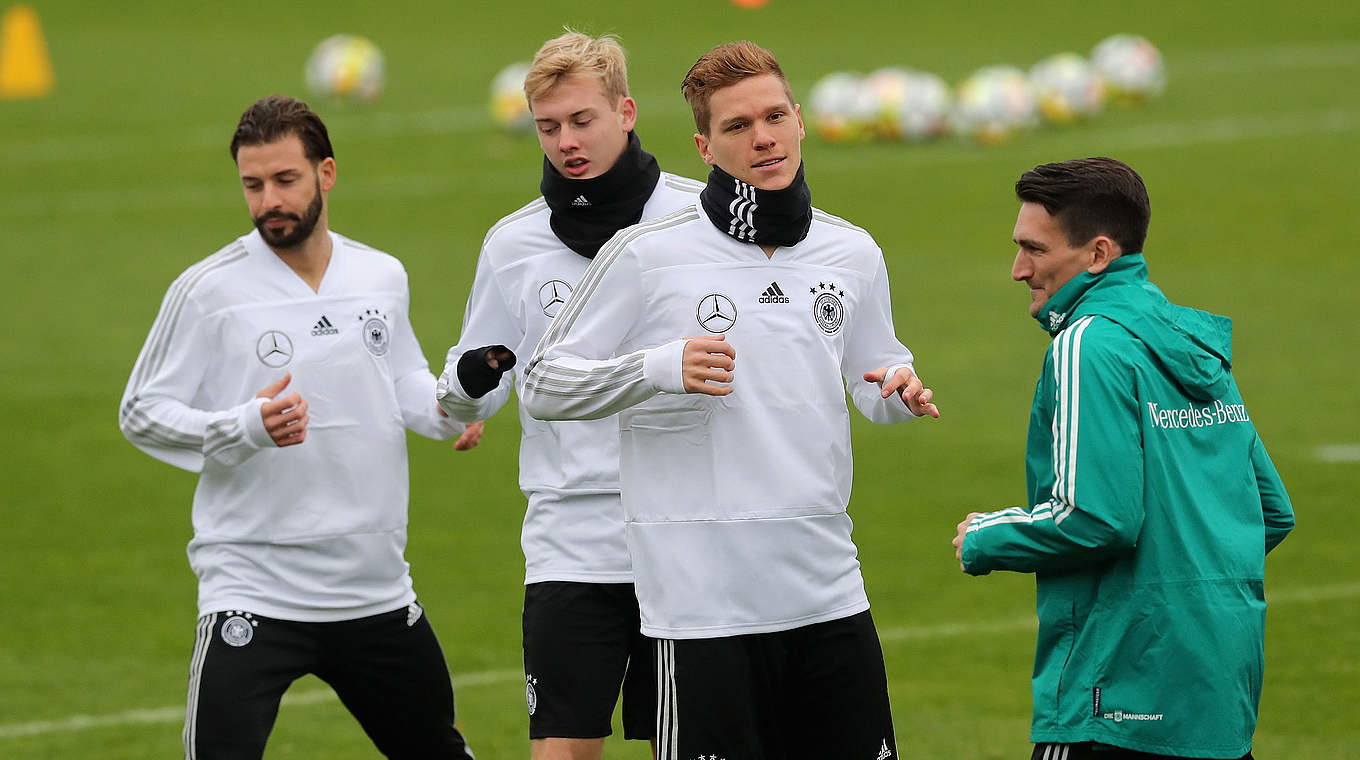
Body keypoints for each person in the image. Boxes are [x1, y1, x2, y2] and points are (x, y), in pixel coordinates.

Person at [520, 41, 938, 760]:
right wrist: (657, 367)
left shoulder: (852, 253)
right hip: (702, 608)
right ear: (704, 146)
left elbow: (876, 377)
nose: (764, 137)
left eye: (775, 116)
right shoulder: (647, 255)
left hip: (827, 590)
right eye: (738, 127)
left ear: (801, 121)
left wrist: (900, 392)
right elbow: (543, 383)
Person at [118, 95, 480, 760]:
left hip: (373, 588)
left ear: (327, 174)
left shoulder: (381, 275)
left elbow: (403, 386)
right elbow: (141, 412)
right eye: (252, 186)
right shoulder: (208, 292)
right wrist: (246, 427)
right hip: (253, 589)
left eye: (285, 180)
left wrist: (452, 408)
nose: (267, 202)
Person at [951, 157, 1294, 760]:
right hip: (1218, 688)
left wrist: (986, 537)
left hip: (1116, 693)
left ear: (1098, 254)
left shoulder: (1088, 342)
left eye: (1034, 249)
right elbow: (1270, 510)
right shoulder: (1192, 344)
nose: (1017, 269)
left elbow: (1094, 517)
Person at [434, 31, 701, 760]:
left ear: (626, 111)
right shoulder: (513, 244)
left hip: (687, 534)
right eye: (548, 127)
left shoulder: (698, 219)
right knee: (561, 751)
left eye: (583, 120)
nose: (566, 142)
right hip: (570, 544)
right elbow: (468, 389)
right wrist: (470, 386)